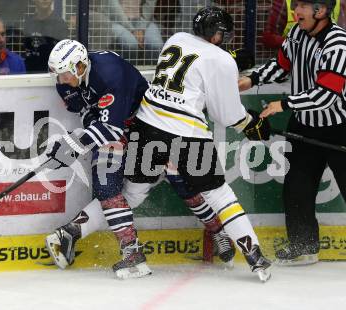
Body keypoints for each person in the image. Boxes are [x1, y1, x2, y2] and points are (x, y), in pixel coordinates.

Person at [125, 6, 273, 282]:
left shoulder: (176, 38)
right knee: (219, 194)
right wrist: (250, 123)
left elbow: (197, 63)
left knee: (130, 194)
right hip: (186, 135)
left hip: (147, 126)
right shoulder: (221, 59)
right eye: (222, 34)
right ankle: (255, 256)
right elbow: (225, 114)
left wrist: (228, 62)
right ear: (216, 34)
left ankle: (72, 230)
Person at [239, 0, 346, 266]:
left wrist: (285, 104)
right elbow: (281, 65)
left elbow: (327, 95)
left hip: (339, 129)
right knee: (297, 188)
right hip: (305, 125)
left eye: (302, 6)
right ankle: (304, 246)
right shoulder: (298, 34)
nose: (295, 10)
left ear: (320, 11)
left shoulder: (338, 44)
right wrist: (252, 79)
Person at [44, 39, 152, 279]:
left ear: (80, 67)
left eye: (65, 75)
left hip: (148, 129)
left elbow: (111, 128)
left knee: (183, 180)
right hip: (114, 131)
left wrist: (72, 145)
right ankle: (132, 254)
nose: (62, 82)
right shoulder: (65, 83)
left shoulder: (110, 71)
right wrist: (72, 144)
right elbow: (88, 114)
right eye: (58, 76)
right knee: (106, 187)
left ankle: (219, 231)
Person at [261, 0, 342, 49]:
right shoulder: (284, 2)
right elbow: (269, 38)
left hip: (325, 57)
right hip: (291, 61)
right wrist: (299, 44)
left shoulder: (336, 2)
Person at [23, 0, 69, 72]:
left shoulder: (60, 24)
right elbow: (26, 49)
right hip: (30, 74)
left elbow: (64, 55)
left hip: (52, 74)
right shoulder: (29, 22)